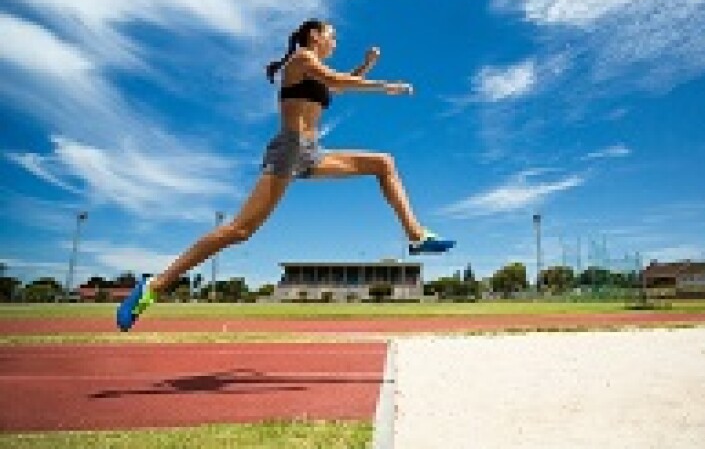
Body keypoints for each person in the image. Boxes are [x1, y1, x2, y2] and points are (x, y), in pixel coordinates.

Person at [117, 19, 455, 331]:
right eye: (331, 34)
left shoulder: (315, 71)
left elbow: (335, 86)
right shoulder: (301, 60)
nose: (335, 40)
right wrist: (385, 85)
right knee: (239, 230)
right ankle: (156, 284)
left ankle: (416, 235)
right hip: (289, 150)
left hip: (310, 153)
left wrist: (366, 65)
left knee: (383, 162)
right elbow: (337, 81)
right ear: (314, 36)